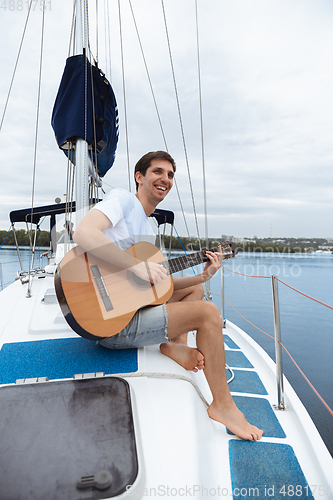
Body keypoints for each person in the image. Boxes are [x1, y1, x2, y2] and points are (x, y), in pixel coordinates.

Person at [73, 150, 263, 441]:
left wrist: (203, 275)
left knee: (196, 290)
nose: (165, 179)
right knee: (209, 312)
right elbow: (84, 233)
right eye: (158, 172)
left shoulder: (148, 229)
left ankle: (174, 346)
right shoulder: (122, 201)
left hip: (128, 309)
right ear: (140, 177)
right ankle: (223, 406)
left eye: (171, 175)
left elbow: (154, 285)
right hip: (108, 324)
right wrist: (136, 265)